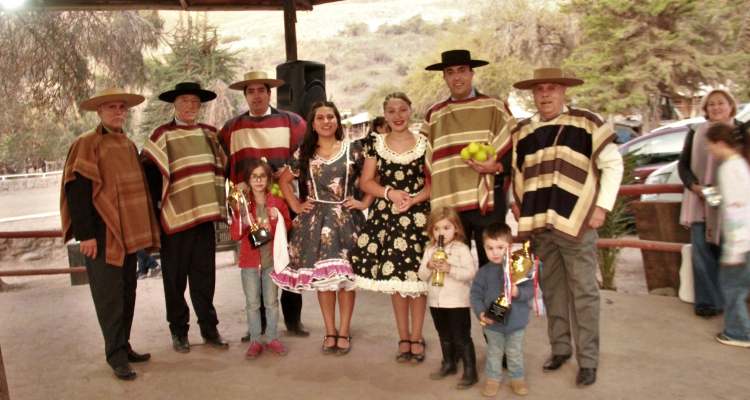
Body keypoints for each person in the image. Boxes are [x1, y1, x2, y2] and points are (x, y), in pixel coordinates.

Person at [510, 68, 623, 387]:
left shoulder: (586, 122)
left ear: (564, 92)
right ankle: (560, 348)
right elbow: (518, 175)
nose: (545, 94)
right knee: (552, 290)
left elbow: (613, 164)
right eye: (540, 89)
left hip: (578, 222)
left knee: (584, 292)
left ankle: (588, 360)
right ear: (533, 94)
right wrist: (517, 205)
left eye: (552, 88)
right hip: (540, 224)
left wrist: (601, 207)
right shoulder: (523, 131)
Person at [60, 88, 161, 380]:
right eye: (111, 108)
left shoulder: (127, 144)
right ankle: (115, 355)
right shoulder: (87, 144)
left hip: (127, 232)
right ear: (99, 112)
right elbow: (76, 190)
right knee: (109, 296)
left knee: (127, 291)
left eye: (122, 108)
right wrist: (86, 235)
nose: (118, 112)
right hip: (102, 234)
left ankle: (124, 345)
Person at [271, 101, 372, 355]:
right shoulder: (304, 152)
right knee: (325, 281)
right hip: (316, 222)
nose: (326, 121)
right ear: (313, 124)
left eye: (330, 117)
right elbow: (284, 179)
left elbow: (372, 180)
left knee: (346, 280)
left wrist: (363, 202)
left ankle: (345, 330)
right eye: (320, 118)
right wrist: (295, 204)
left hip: (346, 220)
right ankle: (330, 331)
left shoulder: (353, 149)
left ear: (337, 121)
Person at [219, 70, 309, 338]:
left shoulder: (292, 122)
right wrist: (232, 200)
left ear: (269, 93)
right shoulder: (232, 128)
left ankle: (293, 320)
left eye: (261, 90)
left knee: (289, 259)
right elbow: (225, 164)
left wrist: (290, 171)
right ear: (245, 95)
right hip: (249, 206)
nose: (256, 95)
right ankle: (256, 325)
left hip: (283, 203)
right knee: (255, 263)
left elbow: (306, 156)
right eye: (251, 91)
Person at [141, 82, 229, 353]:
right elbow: (149, 175)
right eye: (185, 101)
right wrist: (156, 214)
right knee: (175, 278)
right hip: (175, 219)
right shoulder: (162, 135)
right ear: (175, 105)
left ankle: (209, 328)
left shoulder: (210, 134)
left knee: (205, 277)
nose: (190, 106)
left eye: (195, 101)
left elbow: (224, 167)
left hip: (204, 216)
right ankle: (178, 331)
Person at [352, 92, 431, 363]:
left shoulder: (425, 143)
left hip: (419, 216)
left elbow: (433, 181)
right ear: (385, 115)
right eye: (392, 111)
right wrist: (390, 194)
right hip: (388, 218)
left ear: (411, 111)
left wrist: (413, 199)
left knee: (418, 281)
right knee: (398, 281)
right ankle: (404, 338)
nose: (397, 116)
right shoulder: (375, 144)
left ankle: (418, 337)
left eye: (402, 110)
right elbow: (366, 182)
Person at [420, 49, 515, 267]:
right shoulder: (435, 115)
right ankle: (455, 304)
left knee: (492, 263)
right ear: (444, 77)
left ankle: (493, 303)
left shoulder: (494, 107)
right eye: (450, 72)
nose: (457, 77)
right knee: (451, 265)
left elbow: (516, 147)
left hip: (488, 201)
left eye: (462, 70)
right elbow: (424, 158)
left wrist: (497, 166)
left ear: (472, 73)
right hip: (449, 204)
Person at [678, 89, 740, 318]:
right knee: (701, 253)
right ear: (705, 109)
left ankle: (734, 304)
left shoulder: (742, 130)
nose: (716, 107)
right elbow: (682, 165)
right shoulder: (695, 132)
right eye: (711, 104)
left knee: (730, 253)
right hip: (700, 199)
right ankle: (707, 302)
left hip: (732, 202)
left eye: (720, 103)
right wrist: (694, 186)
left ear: (730, 106)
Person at [229, 159, 293, 358]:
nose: (258, 180)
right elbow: (234, 234)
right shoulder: (242, 204)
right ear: (248, 180)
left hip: (271, 261)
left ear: (268, 179)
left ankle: (273, 338)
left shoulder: (277, 202)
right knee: (252, 303)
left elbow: (288, 225)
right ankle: (255, 340)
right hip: (249, 262)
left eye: (262, 176)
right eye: (254, 177)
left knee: (272, 302)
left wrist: (277, 218)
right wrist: (244, 220)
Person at [470, 223, 533, 397]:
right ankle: (492, 379)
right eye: (490, 248)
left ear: (510, 246)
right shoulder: (483, 272)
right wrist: (481, 312)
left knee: (514, 352)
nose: (495, 252)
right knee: (494, 353)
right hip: (492, 324)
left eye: (500, 247)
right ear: (484, 248)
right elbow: (475, 295)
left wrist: (517, 291)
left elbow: (530, 291)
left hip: (516, 323)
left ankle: (517, 378)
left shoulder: (519, 267)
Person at [418, 207, 478, 389]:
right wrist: (429, 265)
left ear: (456, 229)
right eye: (436, 229)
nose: (441, 233)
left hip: (457, 302)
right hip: (436, 302)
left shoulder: (461, 249)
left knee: (462, 337)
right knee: (444, 335)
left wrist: (450, 268)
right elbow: (421, 275)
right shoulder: (430, 249)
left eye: (446, 228)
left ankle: (470, 371)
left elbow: (470, 273)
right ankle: (449, 363)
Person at [704, 122, 750, 348]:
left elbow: (735, 209)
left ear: (720, 143)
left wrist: (734, 248)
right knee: (738, 286)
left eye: (710, 145)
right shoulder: (739, 163)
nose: (709, 150)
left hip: (741, 239)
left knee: (733, 287)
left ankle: (738, 332)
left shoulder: (728, 169)